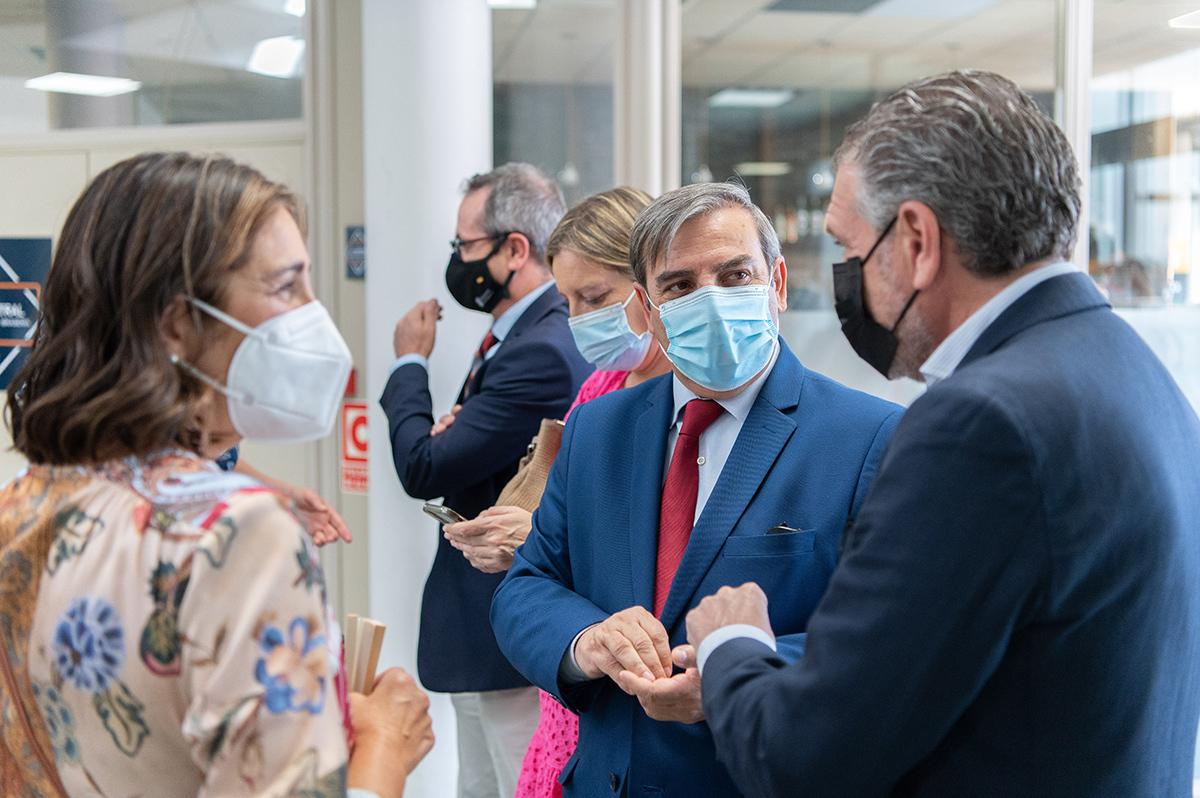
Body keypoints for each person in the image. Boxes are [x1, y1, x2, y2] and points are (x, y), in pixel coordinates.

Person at [686, 70, 1200, 798]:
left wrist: (731, 644)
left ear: (918, 241)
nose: (845, 280)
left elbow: (802, 758)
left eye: (849, 248)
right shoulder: (1134, 370)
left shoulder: (978, 426)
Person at [0, 152, 433, 798]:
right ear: (177, 324)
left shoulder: (18, 508)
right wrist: (386, 749)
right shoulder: (242, 533)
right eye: (286, 287)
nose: (312, 315)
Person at [490, 181, 903, 797]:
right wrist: (585, 641)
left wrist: (732, 670)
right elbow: (526, 587)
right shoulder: (596, 431)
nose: (711, 300)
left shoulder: (871, 438)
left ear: (777, 284)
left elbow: (894, 639)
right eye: (680, 285)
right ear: (645, 308)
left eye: (735, 276)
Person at [439, 186, 670, 798]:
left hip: (636, 686)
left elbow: (653, 556)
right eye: (568, 301)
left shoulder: (684, 403)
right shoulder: (600, 388)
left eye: (594, 297)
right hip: (570, 688)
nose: (578, 319)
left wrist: (538, 542)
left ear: (651, 284)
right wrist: (526, 541)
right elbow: (564, 514)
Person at [380, 163, 592, 798]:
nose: (458, 260)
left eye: (465, 245)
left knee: (510, 783)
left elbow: (424, 466)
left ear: (514, 249)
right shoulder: (517, 335)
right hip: (483, 626)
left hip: (508, 630)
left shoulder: (541, 347)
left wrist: (409, 362)